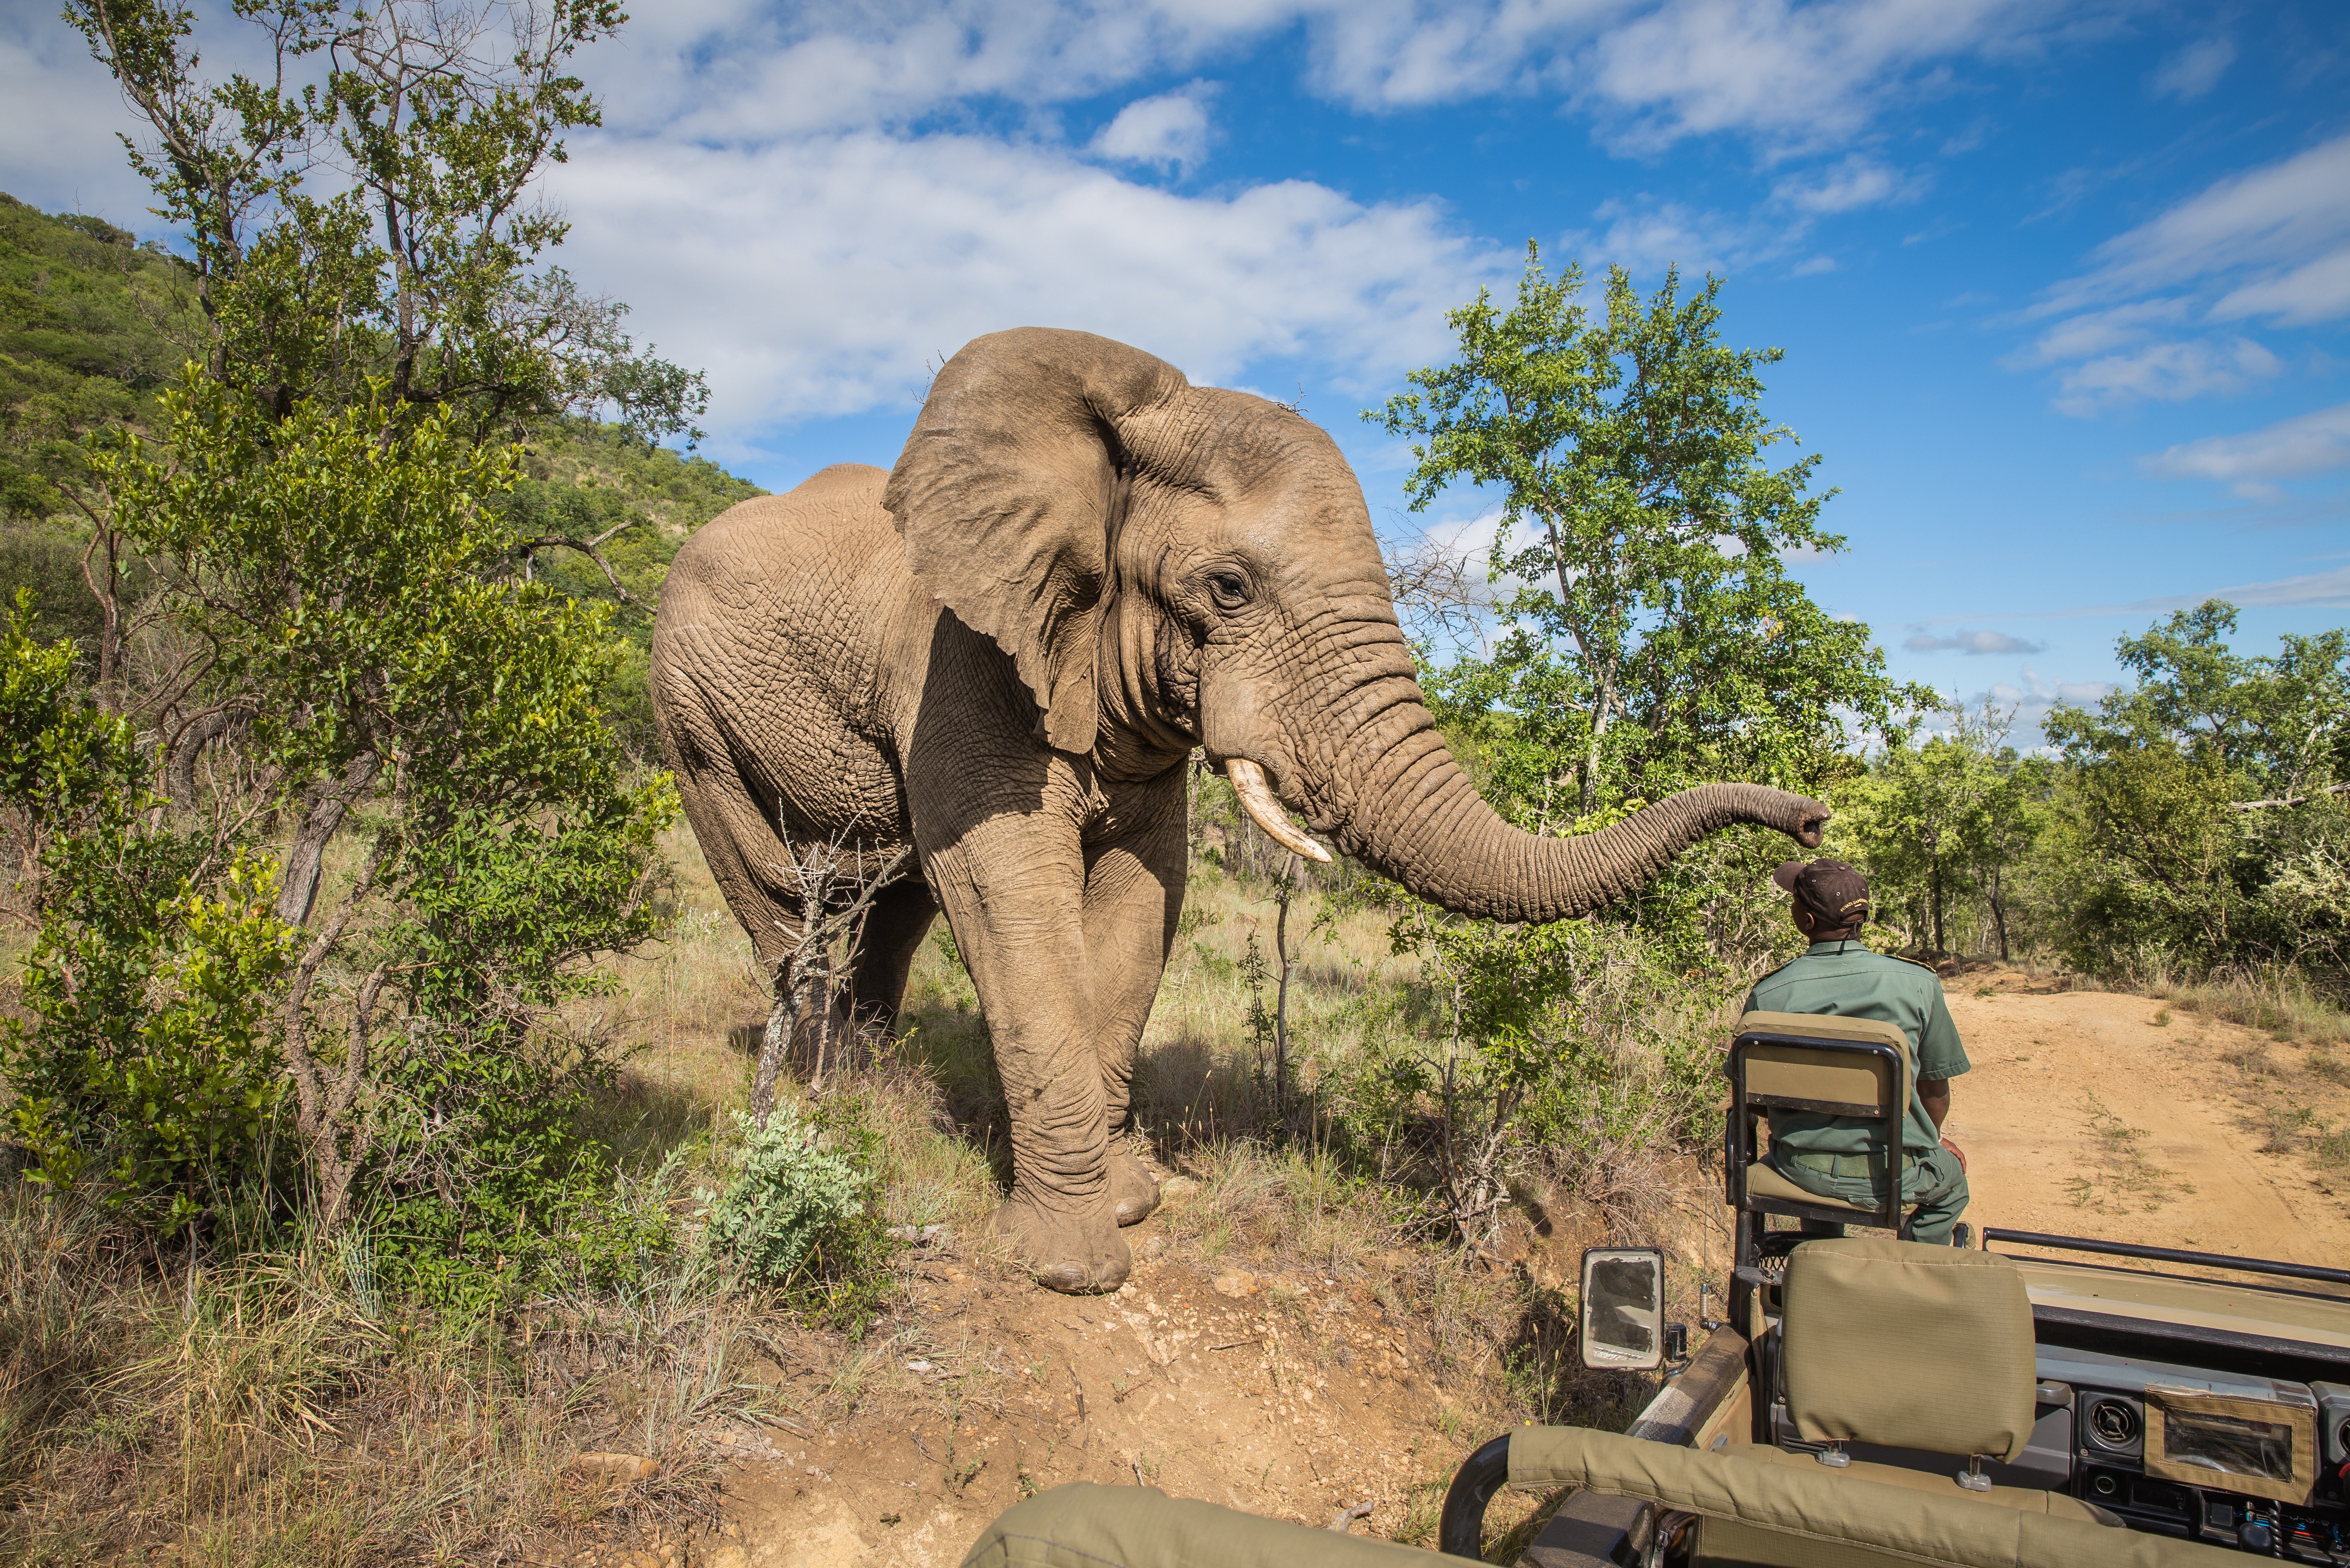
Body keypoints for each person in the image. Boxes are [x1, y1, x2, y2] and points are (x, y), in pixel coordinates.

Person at [1744, 858, 1972, 1245]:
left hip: (1801, 1169)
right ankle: (1914, 1270)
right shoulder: (1918, 984)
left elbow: (1757, 1101)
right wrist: (1927, 1142)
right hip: (1897, 1170)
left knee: (1817, 1195)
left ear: (1807, 922)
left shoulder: (1769, 994)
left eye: (1795, 902)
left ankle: (1823, 1260)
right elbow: (1934, 1091)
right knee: (1952, 1188)